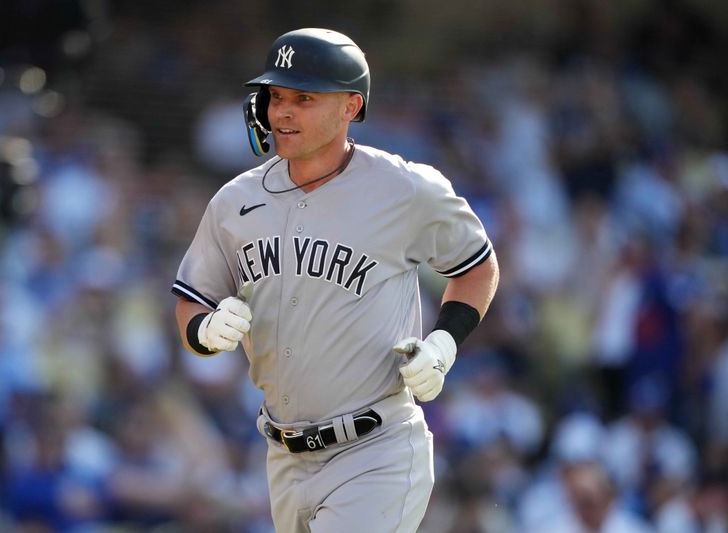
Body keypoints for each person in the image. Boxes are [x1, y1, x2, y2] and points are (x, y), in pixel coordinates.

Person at [172, 28, 499, 533]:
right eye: (276, 96)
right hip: (282, 457)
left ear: (351, 106)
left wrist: (444, 344)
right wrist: (204, 331)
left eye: (303, 98)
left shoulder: (405, 188)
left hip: (376, 451)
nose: (282, 112)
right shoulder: (234, 203)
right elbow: (191, 302)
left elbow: (476, 267)